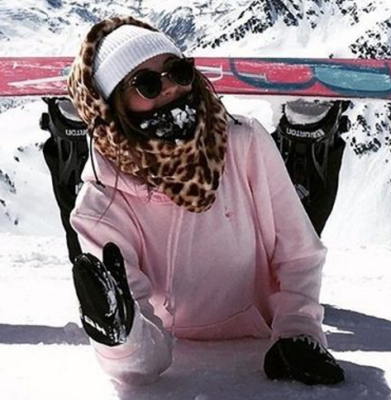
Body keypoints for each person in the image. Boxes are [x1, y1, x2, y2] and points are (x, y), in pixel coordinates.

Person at [67, 15, 345, 388]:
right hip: (180, 353)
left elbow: (298, 254)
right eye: (146, 83)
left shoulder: (244, 143)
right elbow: (140, 368)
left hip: (260, 340)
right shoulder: (101, 203)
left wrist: (298, 329)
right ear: (111, 105)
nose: (169, 86)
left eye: (178, 71)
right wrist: (121, 336)